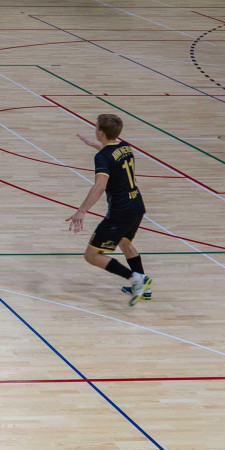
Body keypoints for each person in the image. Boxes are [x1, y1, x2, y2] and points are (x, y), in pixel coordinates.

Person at [66, 112, 152, 306]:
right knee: (124, 243)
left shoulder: (102, 157)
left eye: (96, 126)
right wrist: (94, 144)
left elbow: (99, 186)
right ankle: (144, 288)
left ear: (101, 132)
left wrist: (82, 211)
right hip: (137, 205)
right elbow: (113, 155)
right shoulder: (125, 146)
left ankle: (137, 279)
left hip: (120, 212)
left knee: (92, 255)